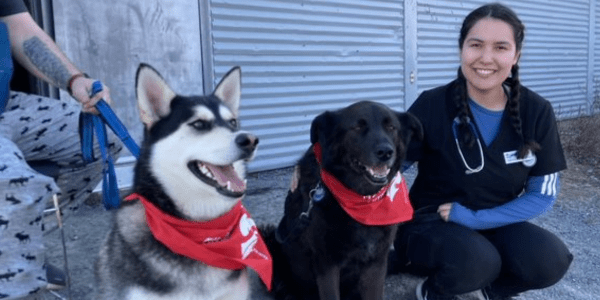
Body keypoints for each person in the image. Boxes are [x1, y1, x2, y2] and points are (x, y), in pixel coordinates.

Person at [388, 3, 573, 300]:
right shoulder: (433, 104)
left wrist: (476, 218)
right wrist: (317, 169)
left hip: (494, 221)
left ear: (516, 56)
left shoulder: (536, 111)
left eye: (501, 47)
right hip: (431, 224)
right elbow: (386, 166)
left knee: (551, 259)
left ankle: (490, 292)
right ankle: (429, 291)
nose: (486, 58)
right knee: (479, 261)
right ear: (462, 48)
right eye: (476, 45)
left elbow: (543, 194)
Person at [0, 1, 121, 299]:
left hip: (8, 105)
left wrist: (75, 80)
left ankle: (17, 240)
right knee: (17, 183)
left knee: (101, 140)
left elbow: (21, 28)